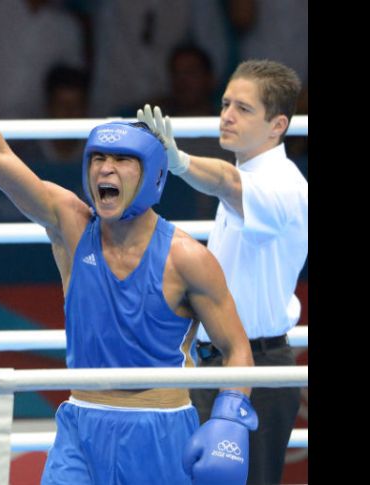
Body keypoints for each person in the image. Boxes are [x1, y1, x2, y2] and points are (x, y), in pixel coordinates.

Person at [0, 22, 258, 485]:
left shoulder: (186, 257)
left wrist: (229, 418)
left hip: (161, 429)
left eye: (122, 160)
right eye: (97, 160)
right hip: (81, 426)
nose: (105, 168)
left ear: (151, 175)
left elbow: (236, 347)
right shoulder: (71, 224)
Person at [137, 59, 307, 485]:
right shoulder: (250, 176)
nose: (227, 115)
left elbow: (227, 182)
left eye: (244, 109)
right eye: (226, 103)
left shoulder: (283, 183)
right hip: (213, 365)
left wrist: (177, 161)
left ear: (277, 125)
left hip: (257, 371)